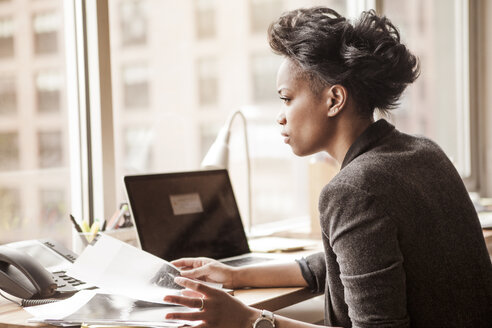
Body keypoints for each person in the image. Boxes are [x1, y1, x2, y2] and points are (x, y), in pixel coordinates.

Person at [162, 7, 492, 328]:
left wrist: (250, 319)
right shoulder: (424, 151)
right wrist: (236, 275)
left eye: (287, 98)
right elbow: (345, 262)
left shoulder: (353, 190)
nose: (281, 115)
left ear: (334, 99)